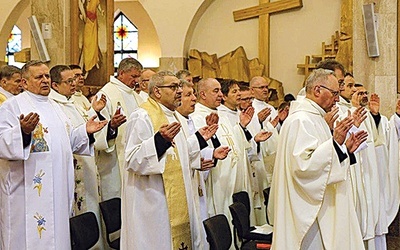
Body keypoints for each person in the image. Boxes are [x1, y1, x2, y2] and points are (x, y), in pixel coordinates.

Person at [0, 60, 107, 249]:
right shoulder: (12, 107)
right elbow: (2, 143)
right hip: (26, 193)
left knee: (58, 234)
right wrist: (22, 132)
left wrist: (85, 131)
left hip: (58, 188)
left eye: (47, 76)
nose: (45, 80)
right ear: (24, 83)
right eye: (39, 77)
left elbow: (67, 141)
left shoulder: (55, 106)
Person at [269, 68, 368, 249]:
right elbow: (303, 168)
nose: (337, 99)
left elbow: (323, 158)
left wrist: (344, 149)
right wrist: (335, 143)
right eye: (334, 93)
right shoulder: (301, 120)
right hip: (310, 214)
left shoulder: (315, 117)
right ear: (317, 90)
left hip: (320, 207)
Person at [121, 71, 217, 249]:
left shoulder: (174, 116)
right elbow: (132, 159)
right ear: (157, 91)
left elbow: (179, 154)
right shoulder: (142, 116)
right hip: (153, 201)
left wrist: (199, 139)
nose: (179, 91)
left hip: (173, 200)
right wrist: (159, 141)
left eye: (179, 86)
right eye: (173, 87)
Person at [175, 79, 230, 249]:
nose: (194, 99)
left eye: (193, 94)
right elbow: (176, 155)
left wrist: (212, 154)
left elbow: (193, 149)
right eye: (188, 95)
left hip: (196, 182)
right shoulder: (176, 121)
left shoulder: (189, 119)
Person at [96, 57, 142, 200]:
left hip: (135, 157)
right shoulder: (106, 94)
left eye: (138, 76)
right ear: (121, 73)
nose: (137, 80)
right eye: (133, 76)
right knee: (117, 200)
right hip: (114, 161)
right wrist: (111, 126)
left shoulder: (136, 96)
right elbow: (97, 128)